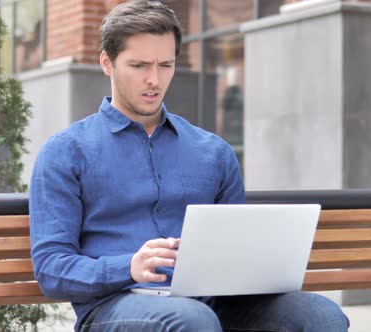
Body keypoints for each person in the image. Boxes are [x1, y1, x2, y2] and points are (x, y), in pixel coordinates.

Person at [29, 1, 349, 331]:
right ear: (107, 63)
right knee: (191, 320)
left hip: (214, 304)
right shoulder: (65, 152)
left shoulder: (213, 152)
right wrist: (129, 267)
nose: (154, 79)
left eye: (165, 65)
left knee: (320, 315)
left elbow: (237, 248)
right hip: (115, 305)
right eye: (139, 65)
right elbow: (52, 268)